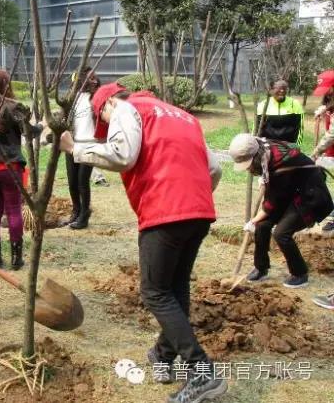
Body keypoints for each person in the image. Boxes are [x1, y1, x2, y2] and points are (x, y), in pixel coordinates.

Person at [60, 84, 225, 402]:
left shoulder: (126, 108)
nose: (107, 125)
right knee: (175, 288)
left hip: (165, 212)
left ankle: (202, 372)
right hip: (200, 212)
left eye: (103, 120)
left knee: (155, 292)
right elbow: (214, 169)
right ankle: (163, 354)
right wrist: (194, 197)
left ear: (107, 104)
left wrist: (75, 149)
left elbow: (123, 154)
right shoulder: (184, 116)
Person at [229, 133, 334, 288]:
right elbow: (274, 195)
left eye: (249, 165)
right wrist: (265, 179)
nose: (249, 169)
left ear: (256, 157)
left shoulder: (281, 166)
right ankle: (261, 267)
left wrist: (252, 221)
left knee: (281, 233)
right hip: (291, 192)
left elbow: (271, 204)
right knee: (262, 225)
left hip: (311, 198)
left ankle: (300, 273)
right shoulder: (264, 148)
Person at [0, 69, 42, 270]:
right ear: (5, 85)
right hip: (10, 166)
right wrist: (40, 126)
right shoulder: (13, 107)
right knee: (13, 209)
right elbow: (28, 132)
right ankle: (16, 258)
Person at [63, 67, 101, 229]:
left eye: (95, 77)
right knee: (72, 182)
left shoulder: (97, 98)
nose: (94, 80)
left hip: (89, 144)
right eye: (90, 78)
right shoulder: (73, 97)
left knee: (82, 182)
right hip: (72, 143)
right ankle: (76, 211)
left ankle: (84, 215)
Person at [311, 70, 334, 232]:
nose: (325, 93)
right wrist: (324, 109)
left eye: (328, 89)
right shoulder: (330, 101)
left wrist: (316, 151)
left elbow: (332, 134)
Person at [256, 80, 304, 144]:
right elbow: (256, 128)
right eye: (279, 88)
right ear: (271, 90)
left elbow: (300, 128)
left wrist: (296, 146)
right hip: (267, 145)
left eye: (284, 88)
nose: (282, 91)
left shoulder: (294, 104)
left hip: (288, 145)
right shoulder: (263, 105)